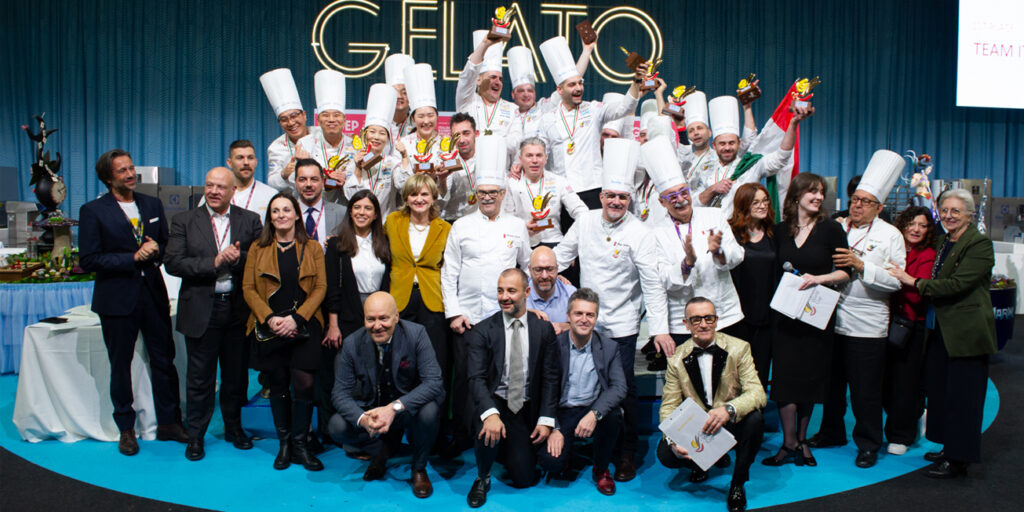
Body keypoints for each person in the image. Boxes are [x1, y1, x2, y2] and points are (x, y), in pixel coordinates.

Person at [553, 139, 670, 482]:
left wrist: (659, 328)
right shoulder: (585, 222)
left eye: (623, 197)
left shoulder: (639, 232)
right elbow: (560, 258)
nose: (616, 202)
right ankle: (582, 442)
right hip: (585, 324)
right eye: (611, 196)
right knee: (576, 382)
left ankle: (626, 453)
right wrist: (538, 282)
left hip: (620, 325)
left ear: (629, 199)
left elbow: (651, 284)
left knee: (622, 390)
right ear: (601, 197)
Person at [79, 149, 188, 455]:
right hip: (116, 299)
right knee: (120, 364)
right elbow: (88, 259)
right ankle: (126, 428)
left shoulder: (151, 204)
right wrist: (131, 258)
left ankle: (170, 422)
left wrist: (158, 250)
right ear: (107, 177)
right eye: (122, 171)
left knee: (164, 360)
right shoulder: (93, 211)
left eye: (131, 169)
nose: (130, 175)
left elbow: (166, 244)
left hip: (153, 295)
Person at [888, 189, 997, 479]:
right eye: (944, 210)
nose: (948, 216)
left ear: (970, 214)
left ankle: (958, 459)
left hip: (966, 335)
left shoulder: (980, 244)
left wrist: (914, 282)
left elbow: (956, 285)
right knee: (942, 394)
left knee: (964, 398)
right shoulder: (947, 241)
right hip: (940, 333)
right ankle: (950, 447)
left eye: (955, 211)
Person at [813, 150, 907, 468]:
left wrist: (860, 264)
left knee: (865, 390)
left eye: (865, 201)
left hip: (868, 324)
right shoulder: (837, 228)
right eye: (855, 199)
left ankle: (868, 442)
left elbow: (895, 283)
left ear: (879, 207)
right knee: (832, 385)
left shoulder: (890, 235)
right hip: (830, 317)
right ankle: (831, 432)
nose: (857, 205)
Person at [165, 167, 263, 460]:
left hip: (237, 310)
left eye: (221, 186)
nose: (214, 191)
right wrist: (215, 261)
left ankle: (235, 429)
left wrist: (235, 259)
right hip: (201, 309)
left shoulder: (250, 220)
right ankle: (195, 436)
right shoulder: (184, 220)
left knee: (236, 376)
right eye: (210, 185)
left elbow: (259, 259)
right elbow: (174, 262)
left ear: (234, 191)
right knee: (200, 378)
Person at [442, 136, 531, 454]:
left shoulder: (516, 226)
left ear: (503, 194)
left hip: (503, 320)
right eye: (482, 193)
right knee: (466, 380)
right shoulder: (461, 226)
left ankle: (499, 437)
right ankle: (462, 436)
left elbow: (527, 269)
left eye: (493, 193)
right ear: (475, 194)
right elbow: (449, 271)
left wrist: (525, 312)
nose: (488, 198)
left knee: (500, 380)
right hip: (466, 318)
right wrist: (453, 312)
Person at [763, 173, 850, 467]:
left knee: (810, 380)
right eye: (812, 191)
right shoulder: (778, 231)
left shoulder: (832, 230)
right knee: (786, 379)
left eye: (821, 192)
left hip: (816, 318)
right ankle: (788, 443)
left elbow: (845, 273)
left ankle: (802, 440)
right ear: (797, 195)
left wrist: (820, 279)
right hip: (784, 319)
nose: (817, 197)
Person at [242, 192, 328, 472]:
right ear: (270, 217)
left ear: (296, 215)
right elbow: (248, 289)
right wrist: (268, 318)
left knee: (303, 385)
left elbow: (321, 288)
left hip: (304, 327)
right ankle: (285, 445)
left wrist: (298, 318)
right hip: (271, 329)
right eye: (275, 210)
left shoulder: (312, 247)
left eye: (286, 210)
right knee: (277, 384)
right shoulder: (258, 247)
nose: (281, 214)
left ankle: (301, 445)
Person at [328, 292, 444, 498]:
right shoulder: (352, 343)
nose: (377, 325)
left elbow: (434, 381)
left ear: (396, 317)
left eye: (383, 318)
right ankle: (381, 451)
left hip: (405, 410)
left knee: (430, 411)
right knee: (337, 426)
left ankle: (418, 467)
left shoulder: (416, 334)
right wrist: (363, 419)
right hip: (372, 412)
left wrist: (394, 408)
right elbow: (339, 393)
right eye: (370, 319)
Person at [658, 297, 766, 512]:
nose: (704, 324)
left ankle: (737, 484)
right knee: (666, 454)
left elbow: (758, 393)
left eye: (708, 318)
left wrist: (729, 409)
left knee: (755, 419)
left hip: (728, 421)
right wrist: (672, 439)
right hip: (697, 425)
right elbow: (669, 405)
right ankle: (700, 462)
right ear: (686, 324)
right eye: (696, 320)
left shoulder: (739, 348)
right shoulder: (676, 359)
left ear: (717, 320)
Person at [466, 269, 560, 507]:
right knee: (488, 431)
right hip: (495, 400)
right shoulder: (482, 330)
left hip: (524, 406)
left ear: (527, 292)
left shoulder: (543, 330)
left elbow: (551, 377)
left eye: (511, 291)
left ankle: (508, 449)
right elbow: (475, 378)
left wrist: (546, 419)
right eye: (500, 290)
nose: (504, 297)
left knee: (524, 479)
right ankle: (482, 476)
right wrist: (490, 414)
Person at [644, 136, 745, 353]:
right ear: (661, 202)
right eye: (672, 196)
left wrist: (719, 252)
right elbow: (660, 280)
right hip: (682, 321)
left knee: (728, 381)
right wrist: (687, 263)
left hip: (723, 315)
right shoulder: (655, 234)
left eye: (683, 192)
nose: (680, 200)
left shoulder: (714, 216)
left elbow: (737, 256)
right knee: (687, 383)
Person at [384, 174, 454, 450]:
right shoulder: (393, 222)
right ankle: (396, 431)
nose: (419, 199)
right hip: (399, 301)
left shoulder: (444, 228)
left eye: (425, 194)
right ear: (406, 198)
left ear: (434, 198)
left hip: (432, 302)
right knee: (399, 368)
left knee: (434, 368)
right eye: (413, 194)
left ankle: (432, 433)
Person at [536, 36, 647, 209]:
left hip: (593, 188)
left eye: (580, 83)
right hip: (563, 191)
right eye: (572, 85)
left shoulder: (594, 109)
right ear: (560, 89)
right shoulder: (547, 119)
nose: (578, 88)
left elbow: (624, 108)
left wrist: (636, 82)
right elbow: (542, 155)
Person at [539, 288, 626, 496]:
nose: (584, 320)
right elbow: (542, 389)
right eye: (579, 314)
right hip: (561, 411)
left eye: (590, 314)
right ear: (568, 316)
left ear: (596, 318)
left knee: (613, 415)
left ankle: (601, 467)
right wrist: (554, 427)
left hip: (591, 408)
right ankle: (566, 455)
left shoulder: (609, 347)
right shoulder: (553, 345)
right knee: (551, 463)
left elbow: (619, 387)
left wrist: (594, 414)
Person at [320, 190, 392, 443]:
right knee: (349, 377)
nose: (362, 212)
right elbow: (332, 289)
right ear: (350, 211)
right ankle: (351, 435)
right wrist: (333, 325)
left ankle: (379, 432)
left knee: (379, 374)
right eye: (357, 207)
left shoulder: (385, 242)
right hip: (349, 315)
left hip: (380, 314)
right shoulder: (337, 245)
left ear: (375, 214)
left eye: (368, 208)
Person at [692, 97, 812, 218]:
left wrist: (793, 124)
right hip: (711, 231)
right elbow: (695, 203)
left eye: (731, 143)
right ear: (714, 145)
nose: (727, 147)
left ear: (739, 143)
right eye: (722, 144)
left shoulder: (751, 165)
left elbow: (781, 157)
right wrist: (712, 189)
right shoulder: (705, 169)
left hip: (744, 231)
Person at [882, 206, 937, 456]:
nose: (916, 229)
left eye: (922, 225)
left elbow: (918, 292)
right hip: (882, 322)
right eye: (912, 223)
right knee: (884, 383)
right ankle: (912, 415)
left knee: (905, 382)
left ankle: (901, 435)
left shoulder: (927, 255)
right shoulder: (891, 247)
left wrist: (902, 277)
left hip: (909, 326)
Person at [727, 183, 781, 389]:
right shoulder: (731, 233)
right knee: (734, 375)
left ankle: (755, 417)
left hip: (766, 317)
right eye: (756, 202)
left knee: (759, 373)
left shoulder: (774, 234)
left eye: (765, 200)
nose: (762, 205)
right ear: (744, 205)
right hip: (737, 317)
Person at [506, 34, 595, 139]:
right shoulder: (506, 112)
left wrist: (587, 51)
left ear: (535, 93)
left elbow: (572, 79)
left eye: (530, 90)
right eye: (521, 91)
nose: (526, 94)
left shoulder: (544, 108)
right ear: (513, 94)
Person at [505, 137, 588, 248]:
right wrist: (522, 230)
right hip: (523, 242)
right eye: (529, 156)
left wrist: (569, 244)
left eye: (539, 155)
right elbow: (507, 219)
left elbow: (581, 211)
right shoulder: (511, 184)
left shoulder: (559, 181)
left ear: (546, 158)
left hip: (554, 241)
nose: (534, 160)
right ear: (521, 159)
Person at [343, 83, 410, 215]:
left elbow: (404, 187)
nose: (376, 137)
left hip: (384, 226)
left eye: (382, 133)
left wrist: (404, 156)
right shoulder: (352, 161)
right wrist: (357, 168)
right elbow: (350, 196)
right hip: (359, 222)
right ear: (364, 134)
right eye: (372, 132)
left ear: (387, 138)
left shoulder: (391, 163)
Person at [456, 31, 520, 155]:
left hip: (500, 171)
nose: (497, 82)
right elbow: (467, 77)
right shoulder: (467, 101)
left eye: (500, 79)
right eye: (492, 77)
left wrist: (482, 142)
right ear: (478, 80)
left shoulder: (513, 110)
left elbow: (515, 143)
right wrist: (485, 44)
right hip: (470, 171)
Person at [298, 69, 353, 205]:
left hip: (346, 207)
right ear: (319, 120)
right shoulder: (305, 143)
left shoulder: (355, 145)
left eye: (336, 115)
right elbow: (295, 179)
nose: (331, 119)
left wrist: (347, 180)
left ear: (345, 120)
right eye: (326, 115)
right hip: (313, 205)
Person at [260, 68, 319, 191]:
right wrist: (284, 174)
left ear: (304, 115)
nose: (291, 123)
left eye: (294, 116)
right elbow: (272, 183)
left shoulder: (322, 134)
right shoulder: (276, 147)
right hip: (293, 204)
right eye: (284, 119)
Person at [294, 158, 346, 250]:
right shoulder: (286, 214)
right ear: (295, 183)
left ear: (322, 183)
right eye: (302, 179)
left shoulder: (342, 213)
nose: (308, 184)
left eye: (314, 179)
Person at [439, 112, 482, 221]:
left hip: (481, 219)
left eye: (466, 133)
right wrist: (442, 180)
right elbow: (442, 201)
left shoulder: (486, 155)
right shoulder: (448, 160)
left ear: (476, 133)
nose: (461, 140)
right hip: (453, 220)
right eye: (456, 135)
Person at [526, 246, 576, 335]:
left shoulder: (570, 294)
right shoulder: (518, 294)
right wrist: (524, 314)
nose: (544, 276)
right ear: (529, 270)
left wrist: (566, 326)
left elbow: (588, 325)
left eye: (550, 269)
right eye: (538, 270)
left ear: (557, 269)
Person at [225, 139, 277, 221]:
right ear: (229, 163)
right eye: (240, 158)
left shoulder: (271, 195)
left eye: (250, 158)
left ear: (256, 162)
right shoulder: (217, 195)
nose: (246, 162)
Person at [384, 53, 416, 152]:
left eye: (404, 92)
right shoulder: (379, 126)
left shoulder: (418, 126)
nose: (399, 97)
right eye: (395, 92)